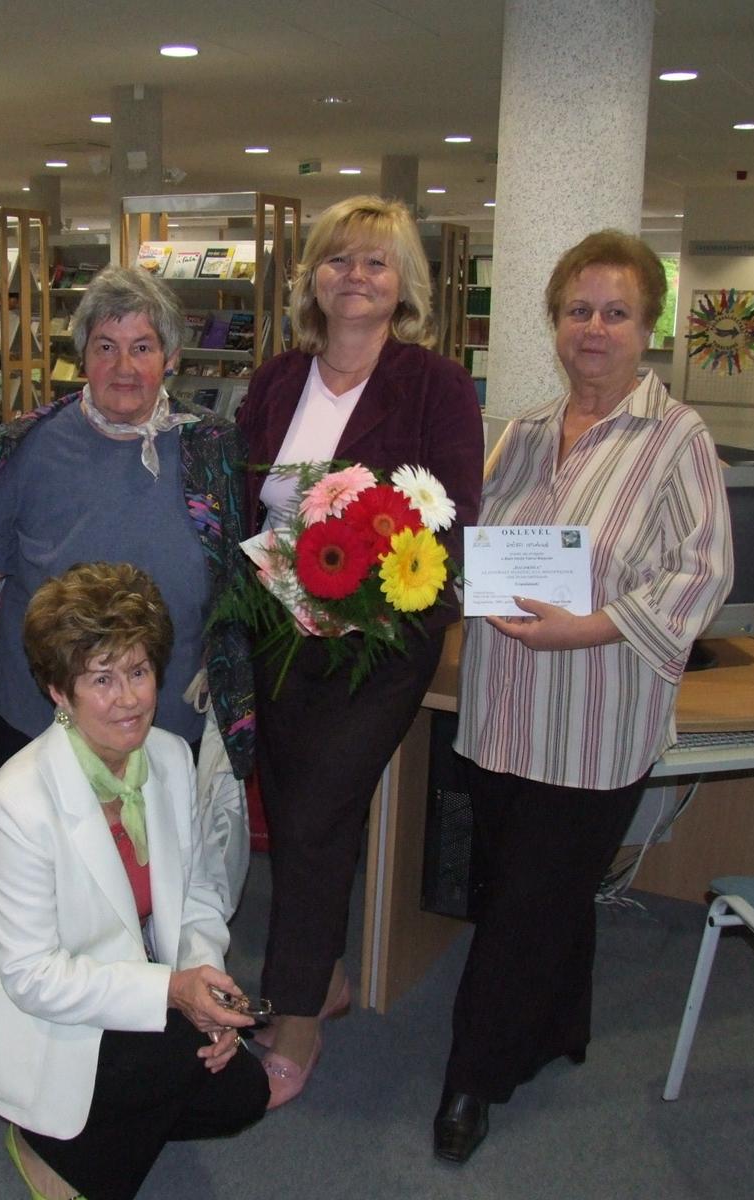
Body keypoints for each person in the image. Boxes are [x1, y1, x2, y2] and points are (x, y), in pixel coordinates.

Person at [438, 230, 732, 1164]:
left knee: (523, 908)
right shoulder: (522, 433)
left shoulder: (678, 439)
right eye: (577, 311)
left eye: (615, 312)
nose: (593, 329)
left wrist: (592, 626)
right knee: (529, 889)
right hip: (501, 712)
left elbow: (701, 575)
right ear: (554, 322)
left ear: (648, 328)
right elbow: (482, 547)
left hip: (595, 722)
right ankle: (562, 1024)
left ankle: (471, 1080)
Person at [235, 195, 484, 1107]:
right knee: (292, 805)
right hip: (278, 630)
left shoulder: (435, 384)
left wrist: (366, 595)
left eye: (377, 262)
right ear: (312, 277)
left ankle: (296, 1010)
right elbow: (242, 496)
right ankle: (326, 974)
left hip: (380, 641)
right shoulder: (276, 379)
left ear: (404, 283)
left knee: (316, 816)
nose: (356, 276)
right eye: (339, 259)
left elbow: (455, 517)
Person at [0, 562, 269, 1200]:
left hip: (121, 980)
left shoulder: (168, 758)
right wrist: (172, 991)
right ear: (59, 693)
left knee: (242, 1093)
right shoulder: (18, 802)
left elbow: (198, 895)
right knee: (175, 1062)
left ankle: (75, 1131)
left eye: (138, 671)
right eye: (101, 679)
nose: (129, 699)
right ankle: (46, 1146)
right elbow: (34, 977)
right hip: (34, 1006)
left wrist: (203, 982)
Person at [0, 266, 253, 787]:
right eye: (105, 347)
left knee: (156, 840)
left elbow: (240, 579)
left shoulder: (213, 448)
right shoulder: (27, 444)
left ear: (171, 357)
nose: (124, 367)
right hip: (43, 723)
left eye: (142, 348)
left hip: (166, 724)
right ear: (83, 356)